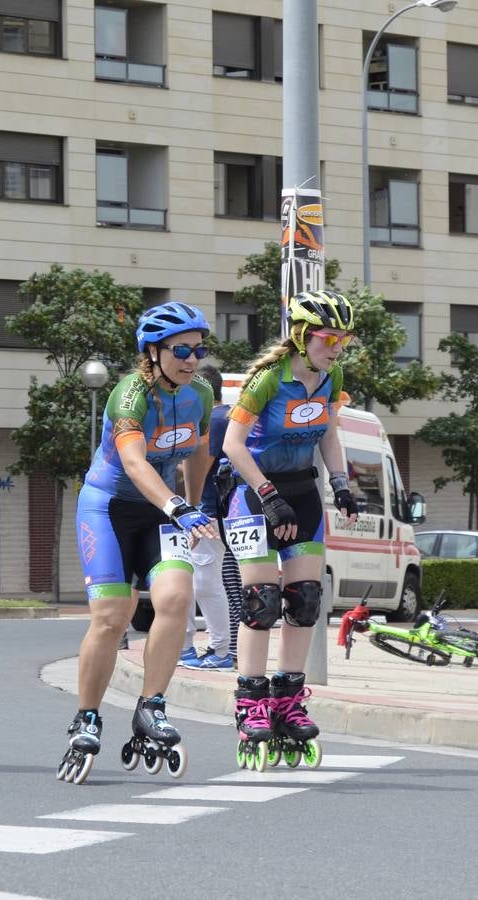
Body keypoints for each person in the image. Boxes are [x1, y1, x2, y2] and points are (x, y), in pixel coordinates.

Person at [62, 301, 219, 783]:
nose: (191, 359)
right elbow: (134, 463)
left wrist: (195, 509)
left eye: (198, 349)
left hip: (162, 510)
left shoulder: (200, 395)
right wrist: (176, 507)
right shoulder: (128, 395)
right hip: (109, 507)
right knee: (112, 620)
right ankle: (86, 716)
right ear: (152, 352)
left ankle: (151, 707)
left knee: (176, 597)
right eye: (181, 350)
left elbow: (198, 455)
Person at [222, 289, 360, 763]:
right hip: (254, 494)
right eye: (328, 338)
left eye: (344, 339)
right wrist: (267, 495)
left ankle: (287, 700)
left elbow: (329, 432)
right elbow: (232, 446)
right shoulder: (265, 381)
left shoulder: (331, 376)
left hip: (302, 493)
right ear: (302, 336)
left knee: (305, 601)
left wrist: (340, 483)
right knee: (262, 604)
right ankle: (251, 703)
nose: (336, 347)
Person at [178, 363, 241, 670]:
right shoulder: (225, 416)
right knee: (195, 580)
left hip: (208, 512)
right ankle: (193, 648)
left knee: (204, 581)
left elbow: (201, 465)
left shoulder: (215, 419)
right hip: (216, 511)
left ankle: (221, 651)